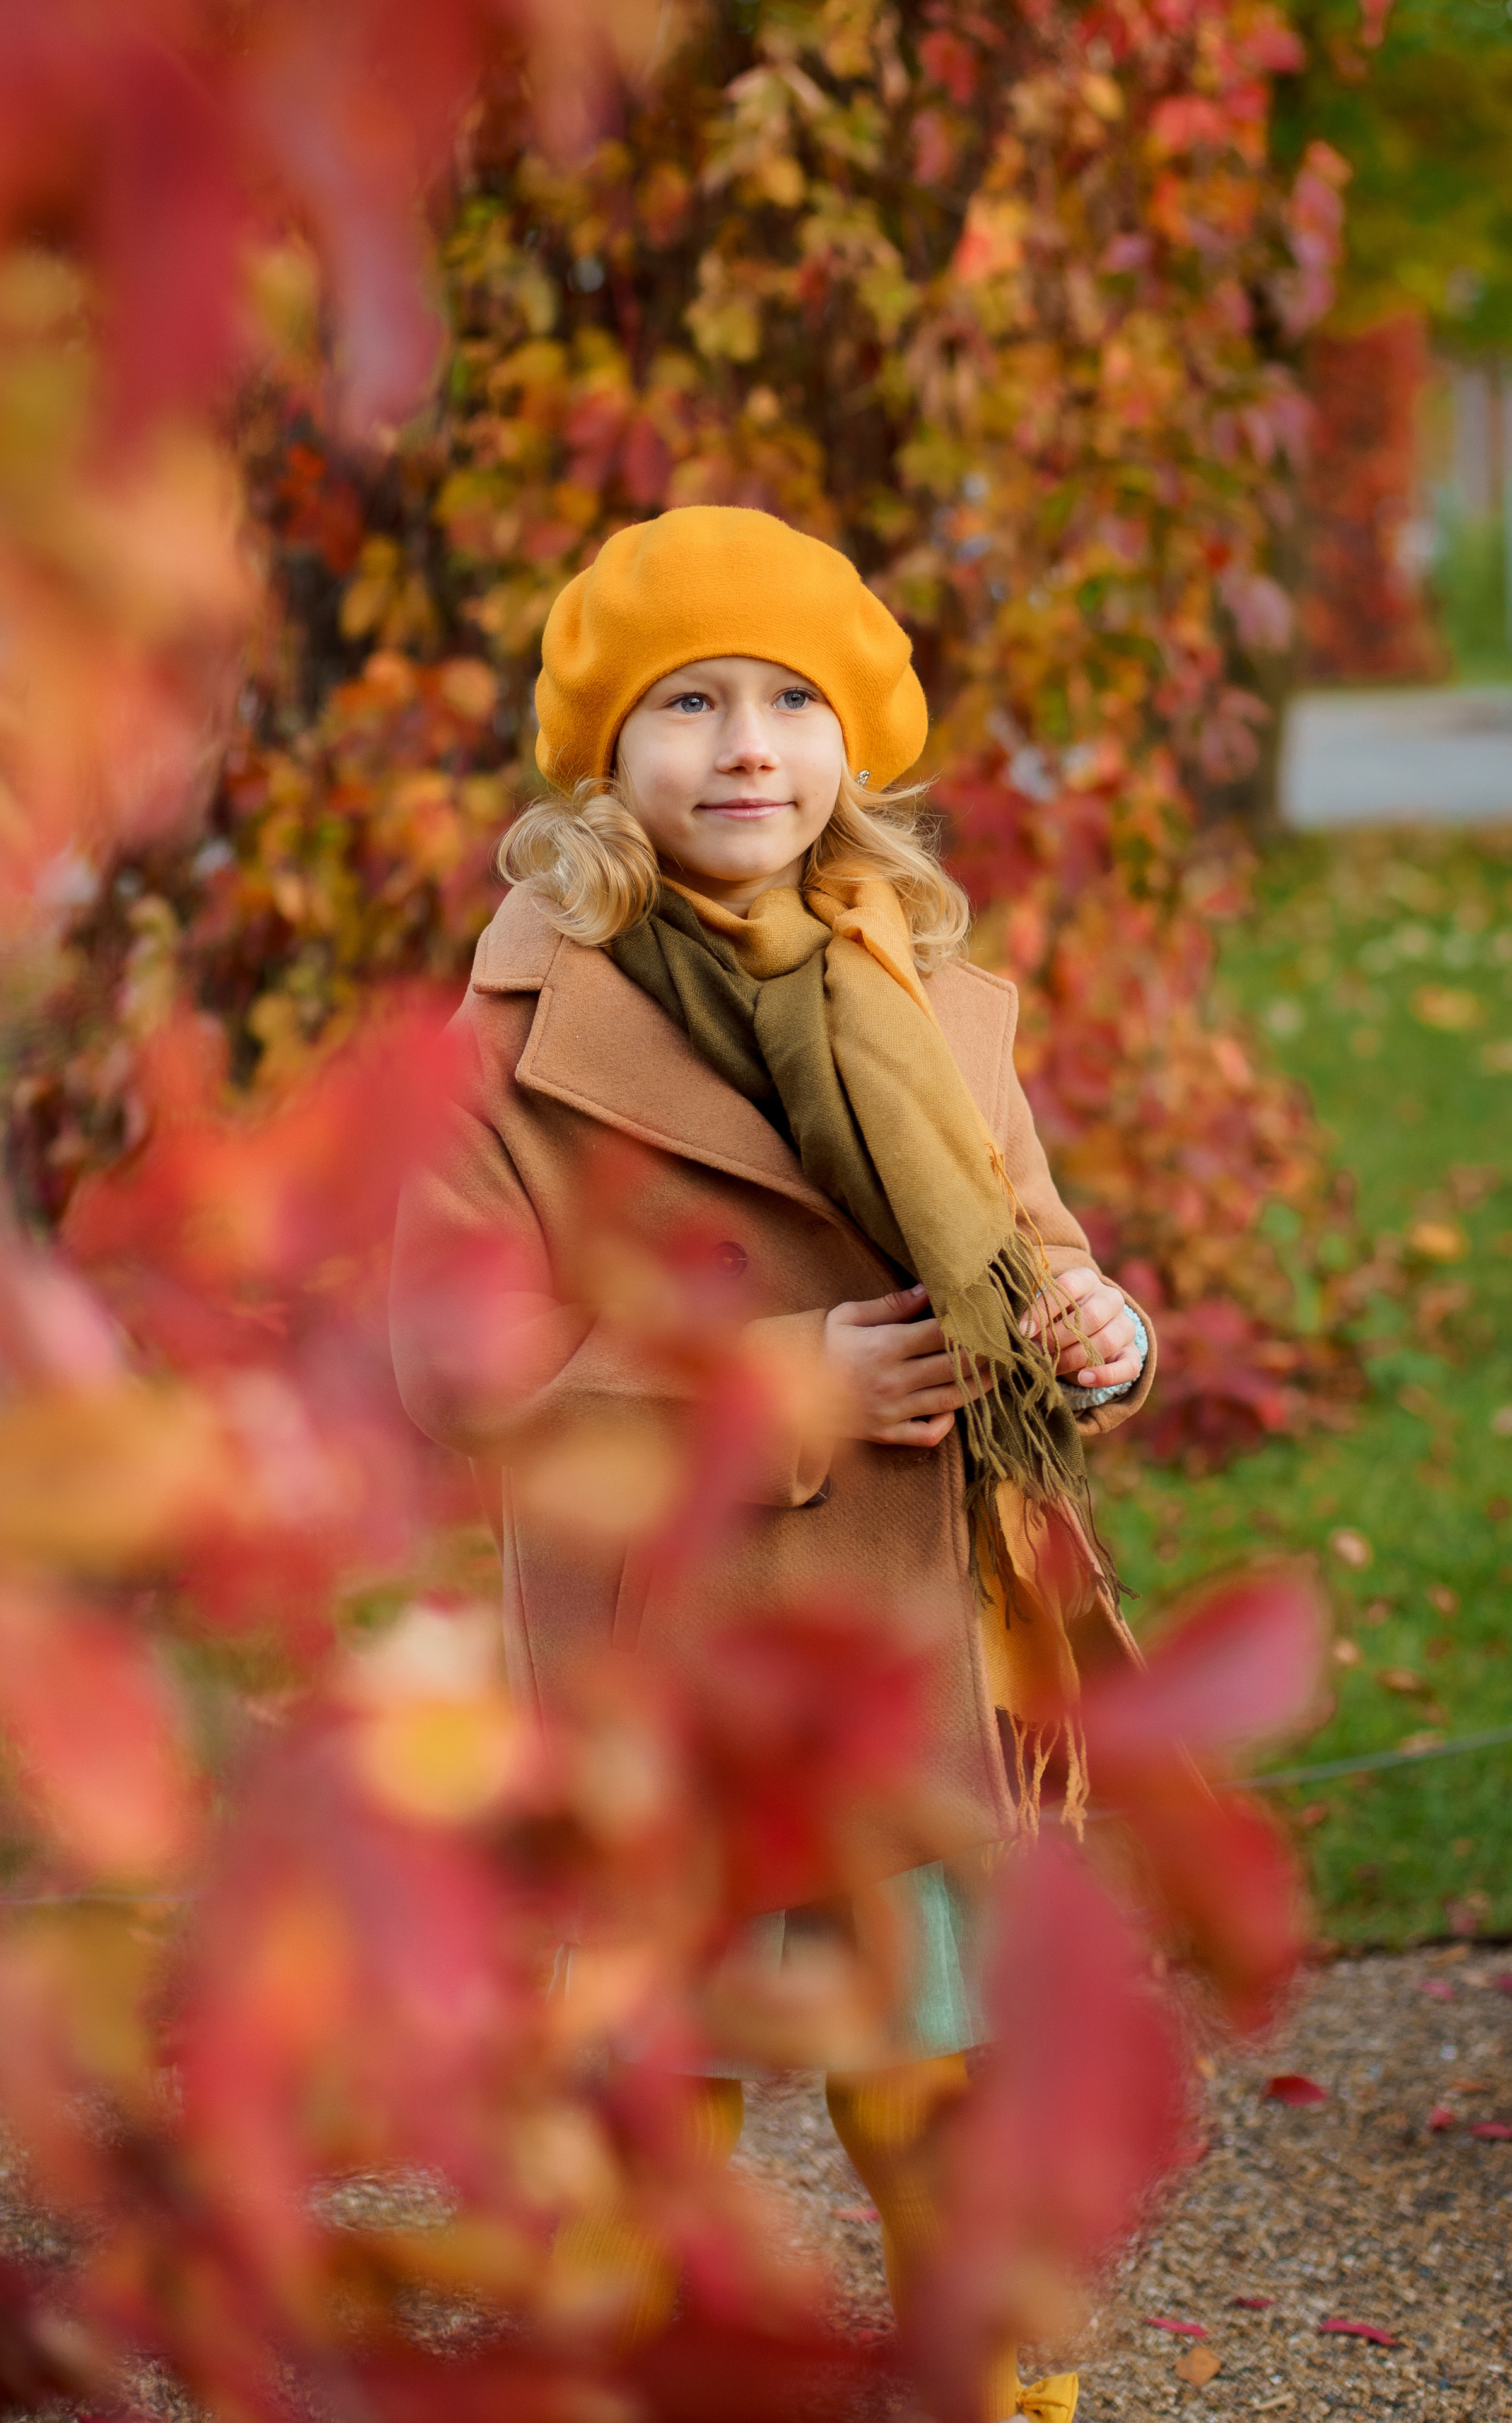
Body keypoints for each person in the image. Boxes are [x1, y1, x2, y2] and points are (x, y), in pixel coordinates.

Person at [392, 505, 1155, 2423]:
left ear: (856, 740)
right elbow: (454, 1364)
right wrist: (776, 1378)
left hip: (923, 1651)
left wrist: (1100, 1329)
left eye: (793, 700)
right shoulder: (518, 1042)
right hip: (689, 1651)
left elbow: (1033, 1243)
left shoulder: (935, 1006)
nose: (748, 747)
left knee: (937, 2077)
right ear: (607, 758)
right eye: (692, 705)